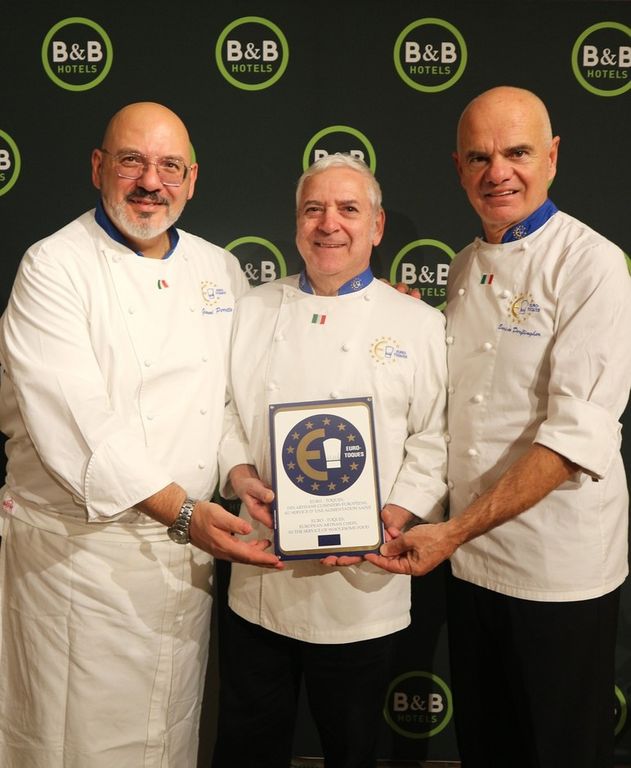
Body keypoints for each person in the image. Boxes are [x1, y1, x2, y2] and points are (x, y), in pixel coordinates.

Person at [0, 101, 281, 768]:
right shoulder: (54, 267)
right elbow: (77, 426)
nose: (151, 182)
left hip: (182, 564)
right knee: (71, 745)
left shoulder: (219, 270)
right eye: (132, 162)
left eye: (169, 166)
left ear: (192, 179)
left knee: (166, 739)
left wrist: (239, 472)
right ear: (99, 167)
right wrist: (184, 513)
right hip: (78, 563)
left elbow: (225, 403)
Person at [367, 86, 631, 768]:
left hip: (554, 568)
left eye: (517, 153)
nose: (498, 173)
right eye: (480, 158)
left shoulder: (590, 264)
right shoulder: (462, 266)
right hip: (471, 565)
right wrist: (402, 321)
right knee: (487, 746)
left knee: (558, 751)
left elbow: (573, 439)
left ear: (552, 156)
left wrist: (453, 531)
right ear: (458, 168)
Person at [211, 153, 448, 768]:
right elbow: (224, 409)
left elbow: (434, 437)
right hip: (262, 565)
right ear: (296, 223)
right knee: (249, 743)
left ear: (377, 226)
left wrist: (396, 514)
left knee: (352, 747)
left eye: (348, 209)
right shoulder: (252, 309)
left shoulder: (419, 323)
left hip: (364, 578)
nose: (329, 224)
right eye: (313, 209)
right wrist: (239, 473)